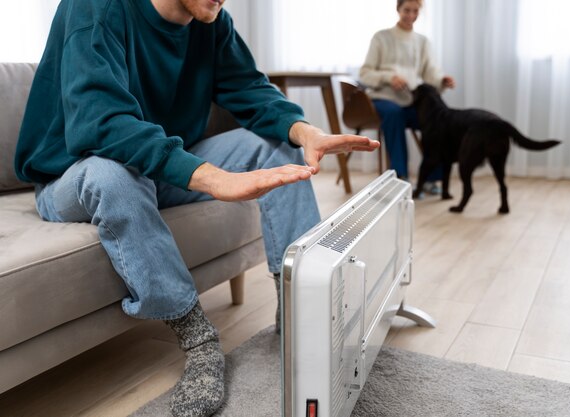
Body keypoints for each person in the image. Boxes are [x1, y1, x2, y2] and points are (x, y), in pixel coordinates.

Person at [13, 0, 379, 416]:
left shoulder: (212, 20)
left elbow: (249, 87)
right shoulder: (95, 7)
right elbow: (101, 123)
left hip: (152, 170)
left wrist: (304, 130)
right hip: (72, 174)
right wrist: (213, 177)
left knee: (276, 148)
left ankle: (301, 312)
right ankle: (200, 342)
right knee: (111, 174)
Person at [359, 0, 455, 195]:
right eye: (406, 10)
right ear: (398, 9)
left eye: (415, 11)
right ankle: (400, 177)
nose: (411, 15)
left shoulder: (422, 42)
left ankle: (431, 178)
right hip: (383, 99)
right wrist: (389, 77)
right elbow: (365, 73)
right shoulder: (381, 38)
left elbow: (430, 74)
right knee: (395, 115)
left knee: (436, 122)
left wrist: (442, 81)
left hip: (411, 100)